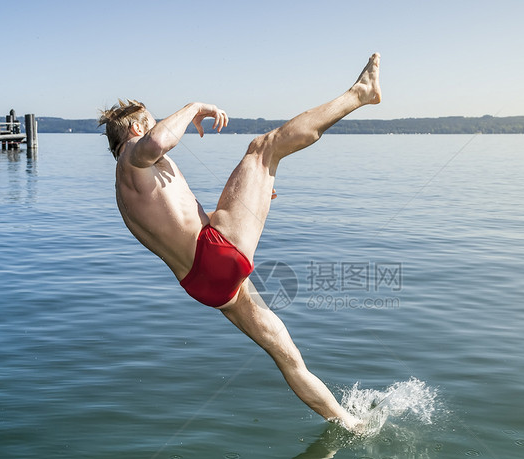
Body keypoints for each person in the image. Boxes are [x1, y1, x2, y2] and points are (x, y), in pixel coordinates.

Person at [99, 53, 382, 432]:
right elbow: (155, 142)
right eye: (153, 119)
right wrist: (194, 106)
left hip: (203, 284)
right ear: (136, 129)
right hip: (215, 254)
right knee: (264, 147)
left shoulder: (127, 189)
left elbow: (186, 222)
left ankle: (349, 423)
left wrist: (256, 197)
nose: (162, 125)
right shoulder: (134, 158)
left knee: (287, 357)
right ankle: (360, 94)